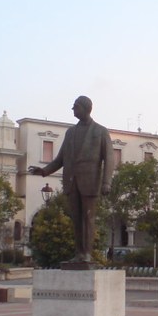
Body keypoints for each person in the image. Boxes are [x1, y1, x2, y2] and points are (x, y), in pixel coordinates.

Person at [29, 96, 114, 263]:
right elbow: (60, 158)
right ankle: (79, 253)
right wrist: (44, 171)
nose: (73, 109)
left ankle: (87, 254)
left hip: (90, 182)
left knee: (88, 218)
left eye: (75, 107)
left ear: (85, 108)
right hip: (72, 182)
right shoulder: (70, 132)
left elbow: (109, 159)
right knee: (76, 220)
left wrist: (106, 182)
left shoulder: (100, 131)